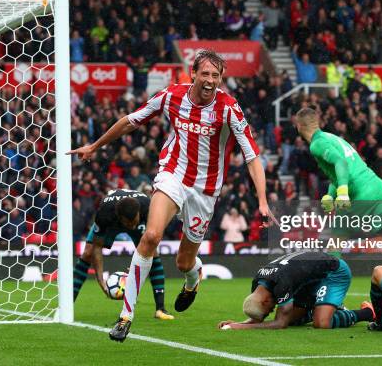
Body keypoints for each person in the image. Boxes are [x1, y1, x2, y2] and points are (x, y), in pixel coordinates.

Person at [68, 50, 277, 342]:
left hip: (205, 191)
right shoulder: (171, 96)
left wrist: (263, 202)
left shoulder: (229, 108)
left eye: (216, 76)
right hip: (172, 175)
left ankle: (193, 278)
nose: (210, 80)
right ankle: (126, 316)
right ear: (193, 73)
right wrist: (95, 145)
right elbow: (131, 120)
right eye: (205, 74)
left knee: (183, 262)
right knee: (151, 236)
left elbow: (252, 156)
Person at [293, 107, 382, 280]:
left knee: (336, 239)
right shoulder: (332, 138)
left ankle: (331, 288)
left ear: (298, 126)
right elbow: (339, 172)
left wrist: (342, 192)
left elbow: (341, 163)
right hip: (378, 189)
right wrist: (331, 194)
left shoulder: (316, 144)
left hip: (361, 195)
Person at [72, 189, 174, 320]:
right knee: (87, 253)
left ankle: (160, 309)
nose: (132, 226)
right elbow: (97, 248)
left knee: (152, 253)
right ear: (120, 218)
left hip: (141, 217)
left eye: (134, 221)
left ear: (138, 213)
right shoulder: (105, 214)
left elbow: (153, 239)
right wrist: (101, 281)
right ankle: (67, 305)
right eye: (128, 223)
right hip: (111, 222)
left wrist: (136, 265)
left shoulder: (147, 208)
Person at [217, 251, 376, 330]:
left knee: (321, 323)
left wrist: (243, 327)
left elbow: (280, 323)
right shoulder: (258, 283)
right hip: (306, 280)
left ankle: (368, 313)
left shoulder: (281, 282)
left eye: (269, 309)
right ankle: (324, 306)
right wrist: (236, 323)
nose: (272, 310)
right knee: (294, 320)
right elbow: (260, 318)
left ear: (265, 300)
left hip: (333, 272)